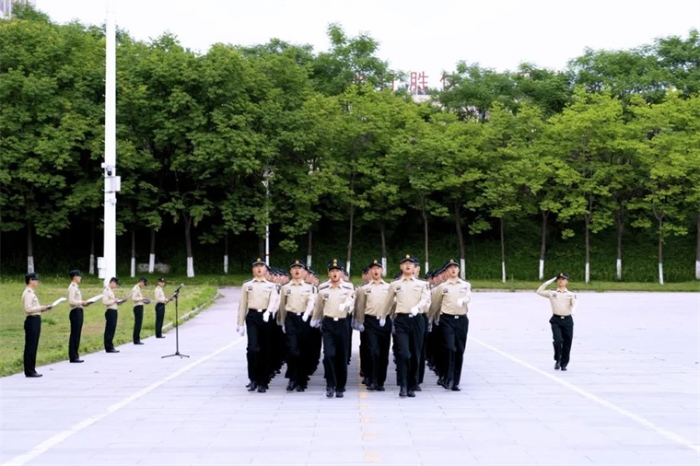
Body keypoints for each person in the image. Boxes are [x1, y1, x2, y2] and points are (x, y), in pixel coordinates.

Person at [384, 254, 431, 398]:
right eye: (405, 263)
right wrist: (382, 317)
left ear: (415, 267)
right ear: (401, 266)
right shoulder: (395, 284)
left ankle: (412, 384)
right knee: (404, 353)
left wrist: (418, 307)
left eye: (410, 263)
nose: (408, 266)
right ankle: (403, 384)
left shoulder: (422, 284)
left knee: (416, 354)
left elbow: (426, 299)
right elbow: (388, 302)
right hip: (401, 320)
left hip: (417, 320)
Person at [311, 258, 355, 398]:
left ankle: (340, 386)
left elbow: (351, 300)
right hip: (328, 323)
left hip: (342, 323)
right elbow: (318, 306)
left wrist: (346, 306)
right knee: (329, 354)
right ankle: (330, 384)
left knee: (342, 356)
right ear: (328, 273)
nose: (335, 273)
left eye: (337, 271)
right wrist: (315, 319)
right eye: (332, 271)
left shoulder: (348, 287)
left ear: (342, 273)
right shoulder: (323, 288)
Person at [237, 258, 280, 393]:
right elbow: (242, 304)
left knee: (265, 349)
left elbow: (274, 300)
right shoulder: (247, 285)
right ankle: (253, 379)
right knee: (252, 348)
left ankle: (263, 381)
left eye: (261, 266)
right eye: (256, 266)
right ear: (253, 269)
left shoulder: (271, 285)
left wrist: (269, 312)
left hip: (266, 318)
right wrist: (240, 323)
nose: (259, 269)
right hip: (252, 317)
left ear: (265, 270)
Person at [428, 259, 471, 391]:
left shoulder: (465, 285)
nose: (453, 269)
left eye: (455, 267)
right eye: (450, 267)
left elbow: (468, 296)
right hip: (447, 320)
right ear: (447, 271)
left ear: (458, 269)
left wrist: (463, 299)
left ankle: (455, 381)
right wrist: (430, 319)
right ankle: (448, 377)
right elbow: (435, 305)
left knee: (459, 350)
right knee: (450, 348)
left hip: (462, 320)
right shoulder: (442, 287)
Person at [278, 259, 317, 392]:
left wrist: (309, 315)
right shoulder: (285, 288)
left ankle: (302, 379)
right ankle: (292, 378)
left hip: (304, 320)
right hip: (291, 319)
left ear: (303, 271)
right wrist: (282, 321)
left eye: (299, 268)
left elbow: (312, 303)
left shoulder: (310, 287)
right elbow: (282, 306)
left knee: (304, 349)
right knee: (292, 349)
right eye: (294, 268)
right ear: (291, 271)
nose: (296, 270)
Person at [354, 259, 391, 391]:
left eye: (378, 268)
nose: (375, 271)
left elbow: (393, 305)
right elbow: (360, 306)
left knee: (383, 352)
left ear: (382, 270)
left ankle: (380, 380)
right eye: (373, 268)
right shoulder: (364, 289)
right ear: (370, 271)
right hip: (370, 322)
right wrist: (359, 321)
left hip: (384, 321)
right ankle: (372, 379)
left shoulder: (389, 287)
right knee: (372, 350)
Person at [537, 272, 577, 371]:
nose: (560, 281)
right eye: (559, 279)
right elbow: (539, 291)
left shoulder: (570, 294)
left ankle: (564, 364)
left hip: (567, 320)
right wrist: (548, 282)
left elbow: (575, 303)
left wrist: (573, 309)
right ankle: (557, 359)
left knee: (567, 342)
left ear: (567, 281)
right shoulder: (552, 292)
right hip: (556, 320)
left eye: (563, 279)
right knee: (558, 340)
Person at [22, 273, 52, 377]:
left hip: (36, 319)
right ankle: (29, 370)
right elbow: (28, 309)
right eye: (35, 280)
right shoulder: (28, 293)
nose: (37, 282)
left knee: (34, 345)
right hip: (31, 320)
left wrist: (44, 308)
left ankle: (32, 369)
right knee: (30, 346)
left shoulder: (32, 293)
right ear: (30, 280)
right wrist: (40, 308)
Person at [67, 269, 92, 363]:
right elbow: (71, 301)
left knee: (77, 334)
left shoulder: (76, 287)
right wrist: (82, 302)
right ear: (74, 277)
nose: (80, 278)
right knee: (75, 334)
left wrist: (85, 303)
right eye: (79, 276)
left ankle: (75, 354)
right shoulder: (72, 287)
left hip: (79, 310)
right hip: (75, 311)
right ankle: (73, 356)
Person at [103, 277, 125, 353]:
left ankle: (110, 345)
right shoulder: (106, 291)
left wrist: (118, 301)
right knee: (109, 329)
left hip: (114, 310)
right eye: (116, 284)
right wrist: (114, 300)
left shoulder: (111, 291)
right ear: (112, 282)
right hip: (110, 311)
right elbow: (105, 302)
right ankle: (108, 346)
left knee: (112, 329)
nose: (116, 286)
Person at [131, 277, 149, 345]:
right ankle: (136, 339)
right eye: (144, 284)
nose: (144, 285)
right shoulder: (135, 288)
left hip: (140, 306)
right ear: (141, 282)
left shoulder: (138, 288)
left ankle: (137, 338)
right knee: (138, 324)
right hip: (137, 307)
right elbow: (134, 298)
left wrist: (144, 300)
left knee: (139, 323)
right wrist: (142, 298)